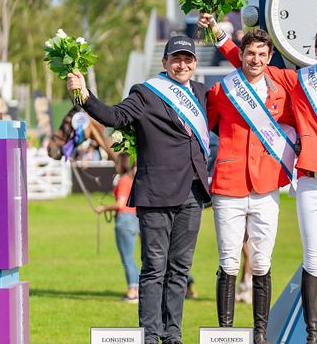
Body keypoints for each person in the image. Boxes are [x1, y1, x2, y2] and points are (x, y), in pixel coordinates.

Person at [200, 13, 317, 344]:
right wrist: (218, 34)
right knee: (311, 258)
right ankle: (310, 334)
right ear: (314, 49)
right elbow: (250, 63)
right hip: (309, 179)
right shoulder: (298, 80)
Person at [67, 34, 210, 344]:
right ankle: (149, 334)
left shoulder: (201, 92)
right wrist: (83, 96)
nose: (182, 64)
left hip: (192, 192)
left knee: (180, 268)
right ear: (165, 63)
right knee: (154, 267)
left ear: (195, 63)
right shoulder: (146, 93)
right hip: (156, 192)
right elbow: (114, 116)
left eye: (187, 59)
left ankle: (172, 334)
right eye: (176, 59)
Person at [206, 28, 296, 344]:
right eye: (250, 53)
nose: (255, 59)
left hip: (266, 186)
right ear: (240, 56)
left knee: (261, 262)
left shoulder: (282, 92)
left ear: (269, 58)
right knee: (228, 260)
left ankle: (260, 334)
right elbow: (208, 126)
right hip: (229, 184)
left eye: (261, 54)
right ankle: (226, 333)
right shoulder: (220, 90)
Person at [94, 152, 139, 303]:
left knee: (127, 258)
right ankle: (137, 288)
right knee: (133, 257)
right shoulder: (133, 180)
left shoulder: (124, 180)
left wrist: (103, 208)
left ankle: (133, 290)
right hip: (134, 218)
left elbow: (120, 204)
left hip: (124, 220)